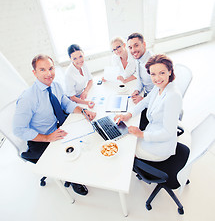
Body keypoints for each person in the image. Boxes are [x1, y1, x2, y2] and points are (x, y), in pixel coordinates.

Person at [13, 54, 96, 196]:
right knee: (69, 154)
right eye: (42, 70)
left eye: (51, 68)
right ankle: (74, 179)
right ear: (35, 73)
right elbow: (19, 130)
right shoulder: (28, 98)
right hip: (40, 139)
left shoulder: (56, 86)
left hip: (56, 128)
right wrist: (47, 137)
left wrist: (83, 110)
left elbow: (65, 103)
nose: (48, 73)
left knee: (85, 137)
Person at [114, 54, 182, 161]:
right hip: (152, 131)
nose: (157, 78)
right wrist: (128, 115)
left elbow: (168, 133)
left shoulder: (173, 96)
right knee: (127, 137)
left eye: (162, 73)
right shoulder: (160, 86)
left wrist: (141, 134)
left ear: (170, 71)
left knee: (126, 149)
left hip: (160, 147)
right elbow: (145, 102)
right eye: (153, 74)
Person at [65, 44, 95, 109]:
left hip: (82, 94)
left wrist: (85, 91)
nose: (79, 61)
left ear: (83, 54)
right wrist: (87, 102)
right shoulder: (69, 74)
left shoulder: (83, 64)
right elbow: (72, 97)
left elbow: (91, 80)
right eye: (75, 58)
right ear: (70, 59)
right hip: (73, 100)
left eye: (80, 56)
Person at [127, 33, 154, 104]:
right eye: (130, 47)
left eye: (136, 45)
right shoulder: (139, 59)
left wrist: (144, 100)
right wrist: (137, 90)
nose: (133, 50)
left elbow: (161, 90)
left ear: (144, 44)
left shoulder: (153, 63)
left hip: (155, 101)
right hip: (147, 95)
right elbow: (140, 78)